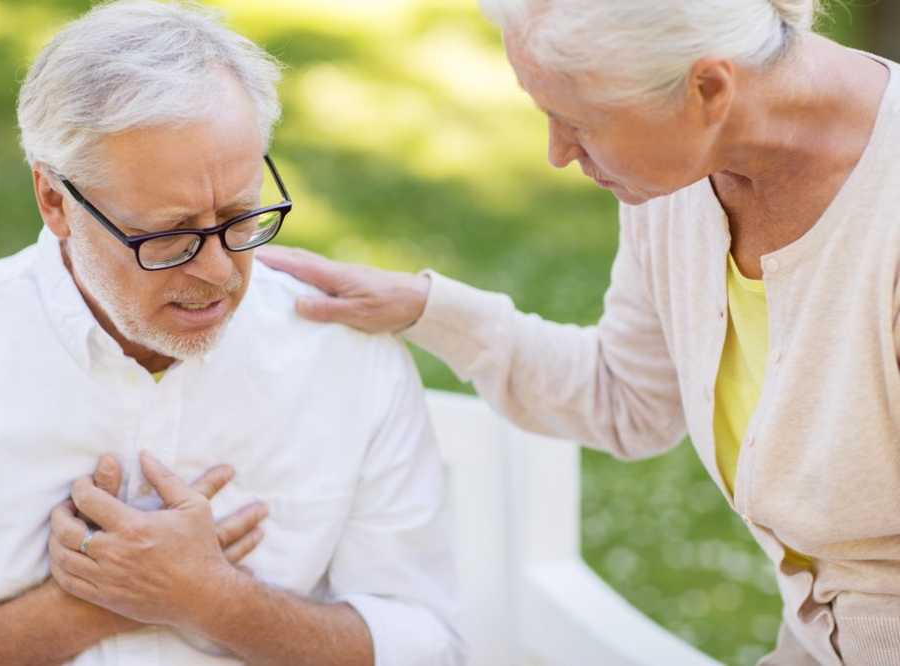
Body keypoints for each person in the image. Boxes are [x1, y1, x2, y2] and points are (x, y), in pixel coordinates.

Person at [257, 0, 900, 663]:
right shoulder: (682, 175)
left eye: (578, 123)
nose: (558, 154)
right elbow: (628, 399)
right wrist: (424, 307)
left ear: (708, 90)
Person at [0, 2, 465, 664]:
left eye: (239, 215)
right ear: (55, 200)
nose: (220, 272)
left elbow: (428, 647)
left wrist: (215, 601)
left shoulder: (347, 355)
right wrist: (81, 609)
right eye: (169, 236)